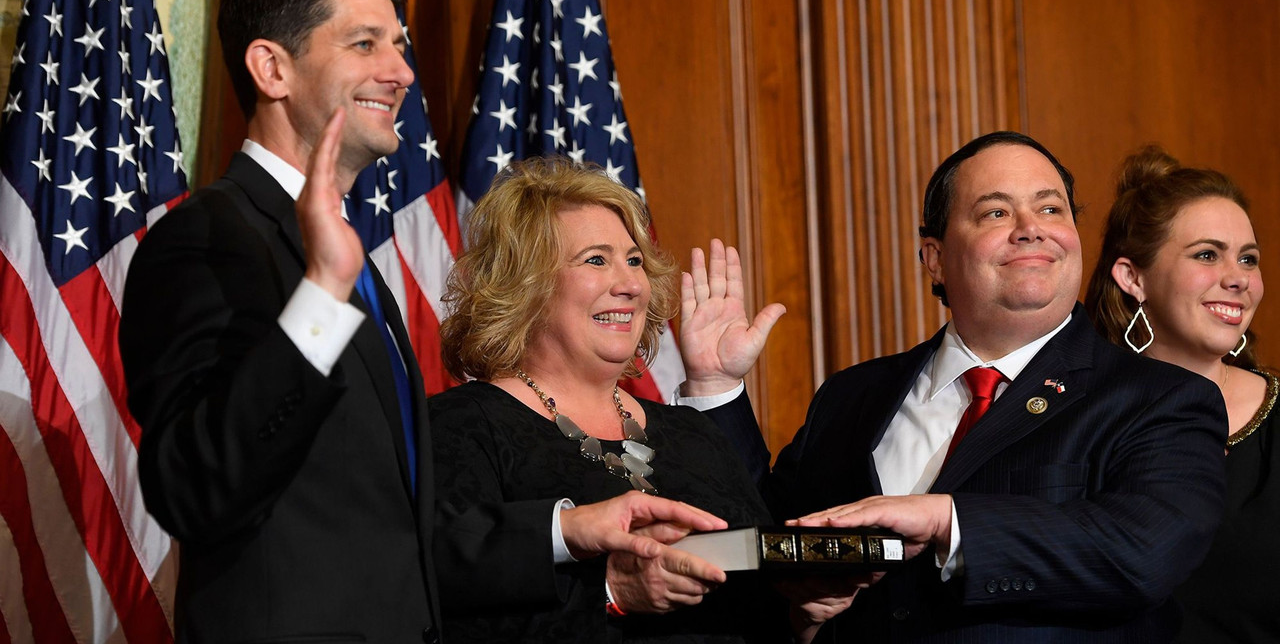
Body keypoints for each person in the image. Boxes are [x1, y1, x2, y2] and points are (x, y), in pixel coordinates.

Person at [119, 0, 724, 642]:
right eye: (365, 43)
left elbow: (390, 523)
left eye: (401, 45)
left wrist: (563, 529)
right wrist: (320, 296)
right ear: (271, 67)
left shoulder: (343, 256)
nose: (401, 71)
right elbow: (193, 488)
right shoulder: (209, 238)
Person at [685, 131, 1228, 641]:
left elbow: (1142, 550)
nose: (1031, 227)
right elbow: (755, 545)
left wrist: (949, 520)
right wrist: (715, 387)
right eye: (996, 211)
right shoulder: (851, 396)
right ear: (935, 258)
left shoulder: (1163, 399)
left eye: (1050, 208)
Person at [428, 157, 821, 642]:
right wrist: (610, 594)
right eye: (596, 260)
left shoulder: (692, 431)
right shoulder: (459, 428)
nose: (631, 284)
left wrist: (807, 616)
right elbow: (441, 611)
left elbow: (759, 612)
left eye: (634, 260)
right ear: (523, 285)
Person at [1085, 146, 1274, 643]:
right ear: (1133, 277)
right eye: (1207, 255)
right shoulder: (1072, 415)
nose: (1238, 279)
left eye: (1248, 259)